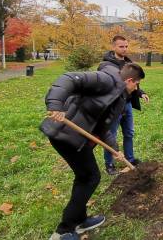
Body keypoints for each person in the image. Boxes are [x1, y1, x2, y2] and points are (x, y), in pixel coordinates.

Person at [40, 63, 145, 240]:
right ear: (129, 80)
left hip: (76, 138)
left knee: (85, 177)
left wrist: (115, 150)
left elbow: (103, 127)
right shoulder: (107, 80)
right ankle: (64, 230)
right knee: (90, 177)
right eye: (137, 84)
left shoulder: (118, 97)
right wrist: (55, 104)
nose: (136, 89)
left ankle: (80, 220)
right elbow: (69, 79)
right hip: (65, 133)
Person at [98, 35, 149, 175]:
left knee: (129, 133)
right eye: (121, 46)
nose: (125, 49)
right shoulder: (106, 65)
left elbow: (134, 81)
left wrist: (140, 93)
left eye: (126, 46)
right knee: (111, 135)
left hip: (126, 104)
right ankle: (109, 165)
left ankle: (130, 158)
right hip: (114, 107)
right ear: (113, 47)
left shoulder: (128, 63)